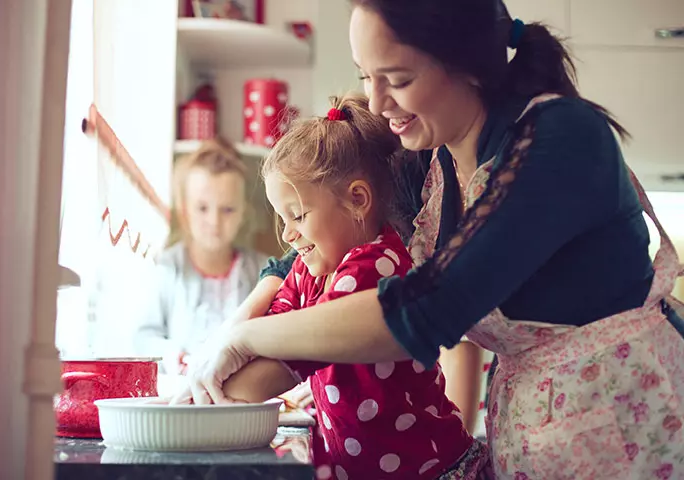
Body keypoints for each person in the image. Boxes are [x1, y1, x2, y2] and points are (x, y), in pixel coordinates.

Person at [181, 1, 684, 478]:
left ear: (466, 65)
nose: (377, 102)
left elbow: (422, 311)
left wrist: (244, 338)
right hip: (538, 436)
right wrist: (233, 332)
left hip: (628, 429)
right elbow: (306, 249)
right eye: (365, 76)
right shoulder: (428, 159)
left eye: (397, 79)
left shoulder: (562, 140)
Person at [179, 93, 491, 479]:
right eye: (282, 219)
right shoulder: (313, 266)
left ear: (357, 200)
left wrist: (196, 396)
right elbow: (279, 314)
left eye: (298, 215)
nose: (290, 235)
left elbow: (287, 357)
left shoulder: (374, 267)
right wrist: (220, 356)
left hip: (431, 472)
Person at [131, 138, 267, 375]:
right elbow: (144, 335)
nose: (214, 222)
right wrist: (173, 356)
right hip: (181, 391)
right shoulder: (166, 267)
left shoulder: (264, 271)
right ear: (185, 211)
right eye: (202, 208)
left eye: (227, 209)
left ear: (242, 212)